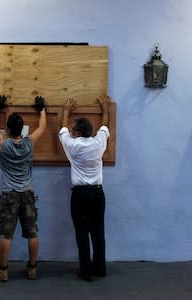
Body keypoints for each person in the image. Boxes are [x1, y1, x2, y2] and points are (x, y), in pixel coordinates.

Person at [0, 95, 47, 282]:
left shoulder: (4, 145)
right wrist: (42, 109)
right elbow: (43, 128)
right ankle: (32, 269)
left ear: (7, 129)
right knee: (32, 232)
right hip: (28, 194)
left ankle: (3, 269)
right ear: (22, 129)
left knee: (5, 233)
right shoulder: (29, 144)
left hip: (10, 195)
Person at [58, 97, 110, 282]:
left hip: (80, 195)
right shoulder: (99, 143)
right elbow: (105, 126)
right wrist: (105, 108)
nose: (71, 131)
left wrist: (66, 110)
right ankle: (100, 268)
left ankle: (86, 271)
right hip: (97, 193)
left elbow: (62, 130)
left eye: (74, 129)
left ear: (78, 132)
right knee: (98, 232)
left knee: (82, 233)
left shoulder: (72, 146)